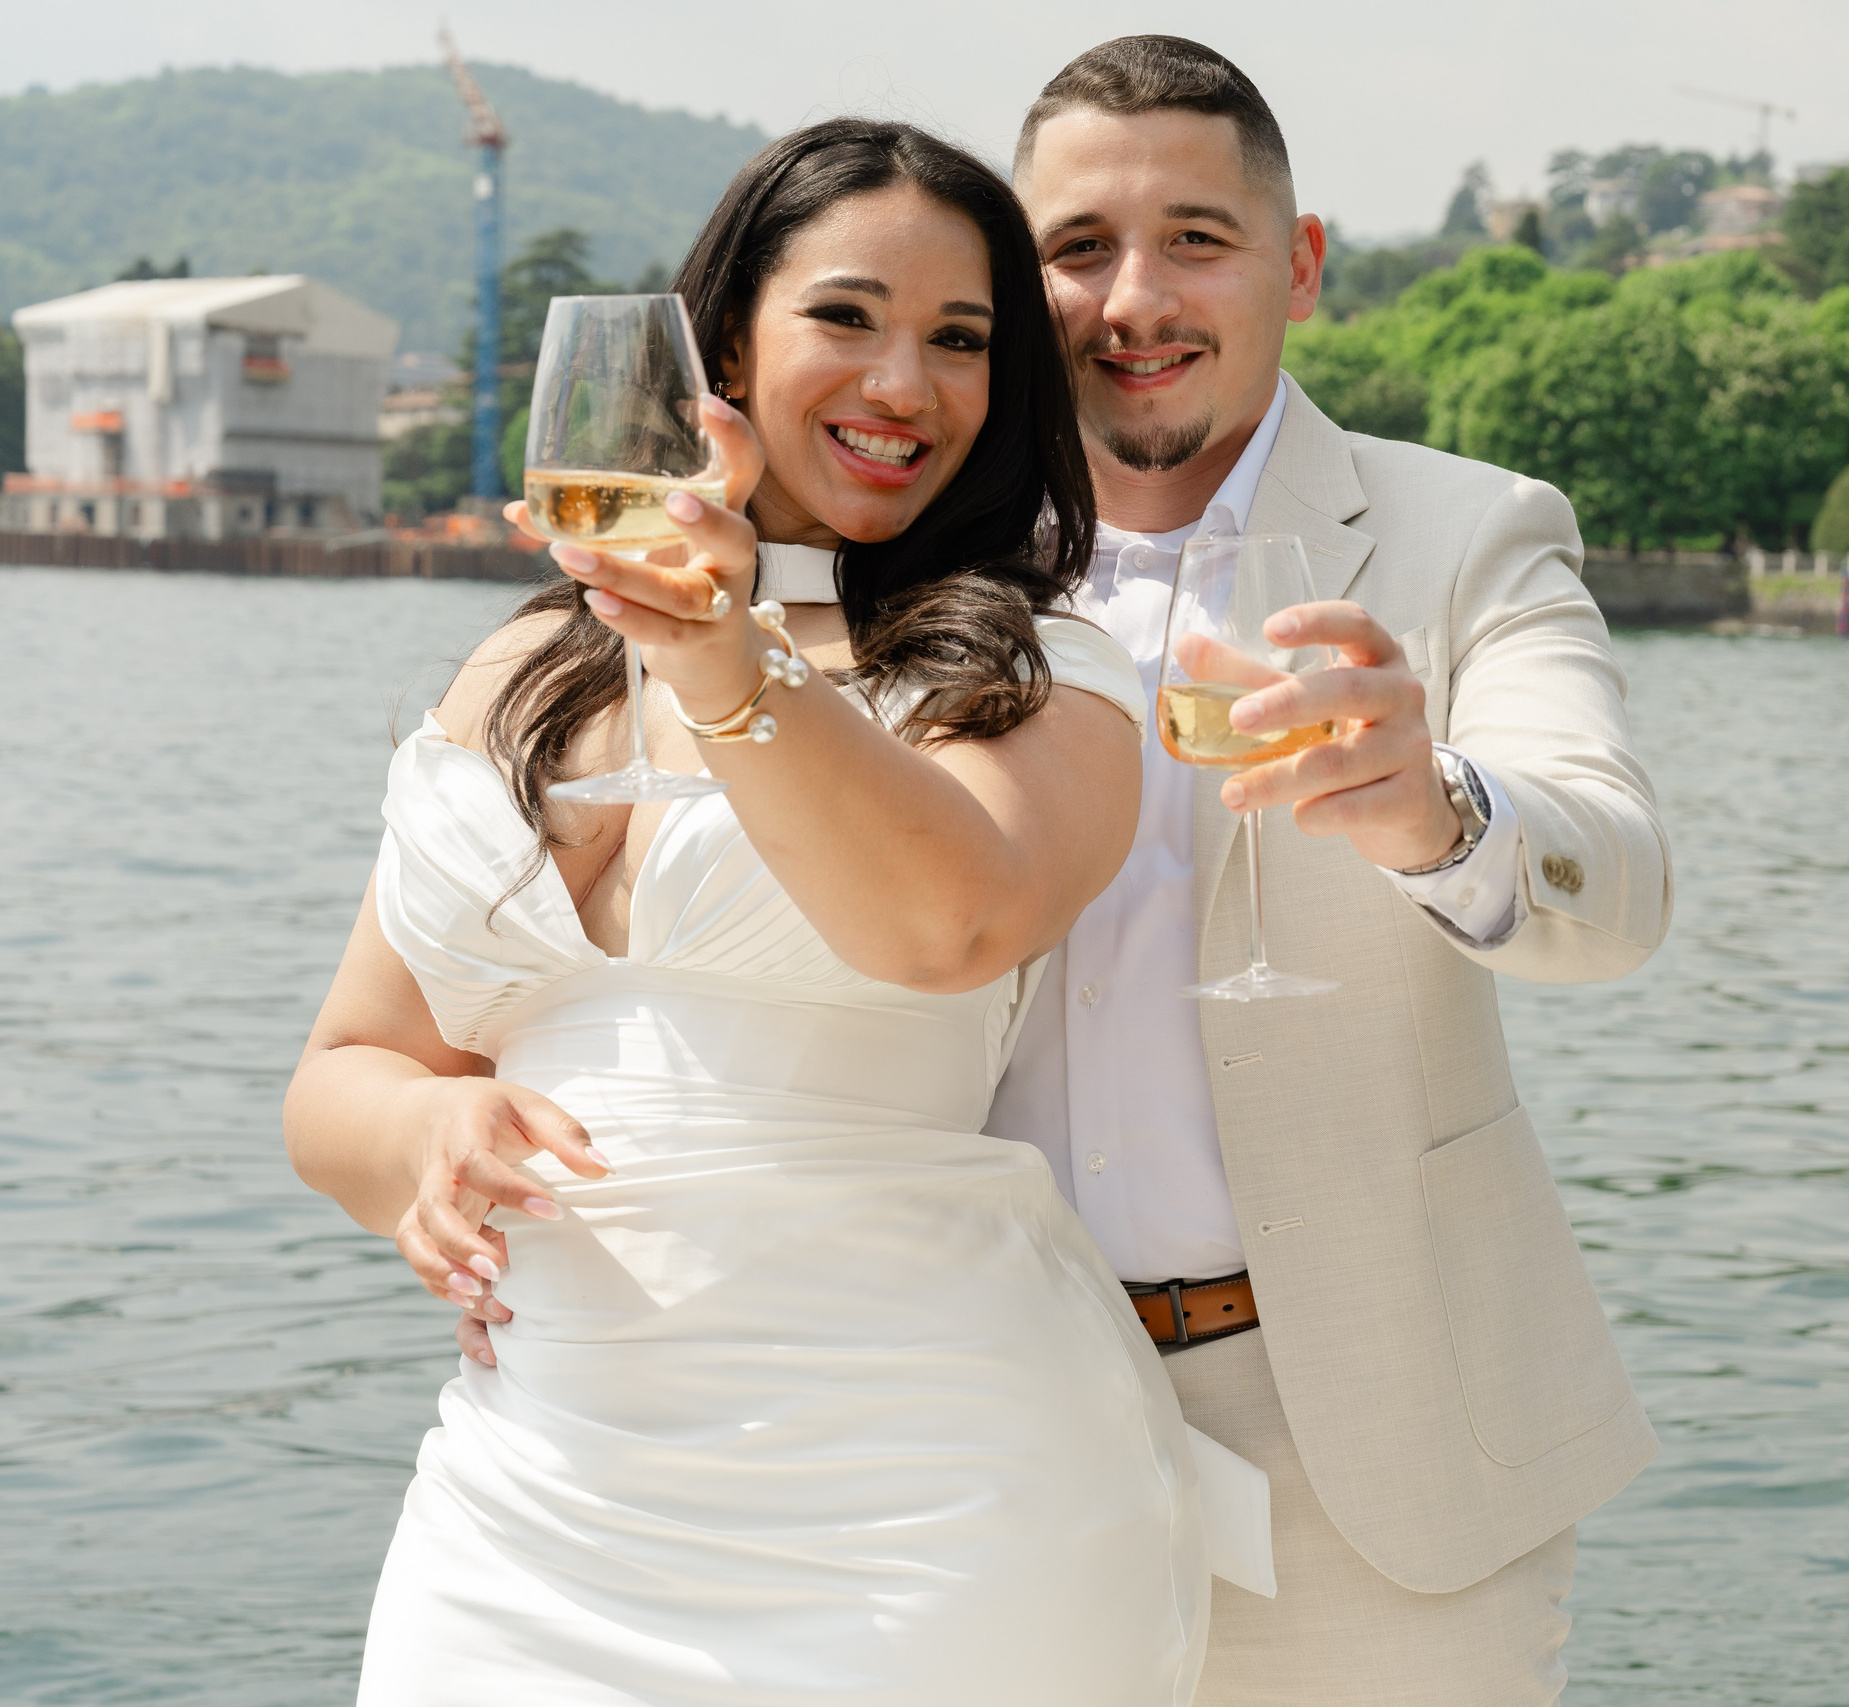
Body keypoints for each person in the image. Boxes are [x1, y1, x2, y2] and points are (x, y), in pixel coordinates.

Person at [284, 118, 1267, 1705]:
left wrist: (723, 646)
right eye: (848, 317)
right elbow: (343, 1074)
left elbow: (944, 926)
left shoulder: (1039, 669)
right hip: (526, 1513)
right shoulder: (520, 673)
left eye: (963, 342)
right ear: (726, 334)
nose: (905, 383)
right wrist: (422, 1143)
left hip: (928, 1523)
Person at [998, 35, 1670, 1707]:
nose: (1133, 296)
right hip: (978, 1413)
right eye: (1078, 248)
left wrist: (1433, 807)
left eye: (1196, 240)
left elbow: (1618, 881)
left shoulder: (1472, 531)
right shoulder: (916, 558)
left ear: (1299, 265)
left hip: (1372, 1433)